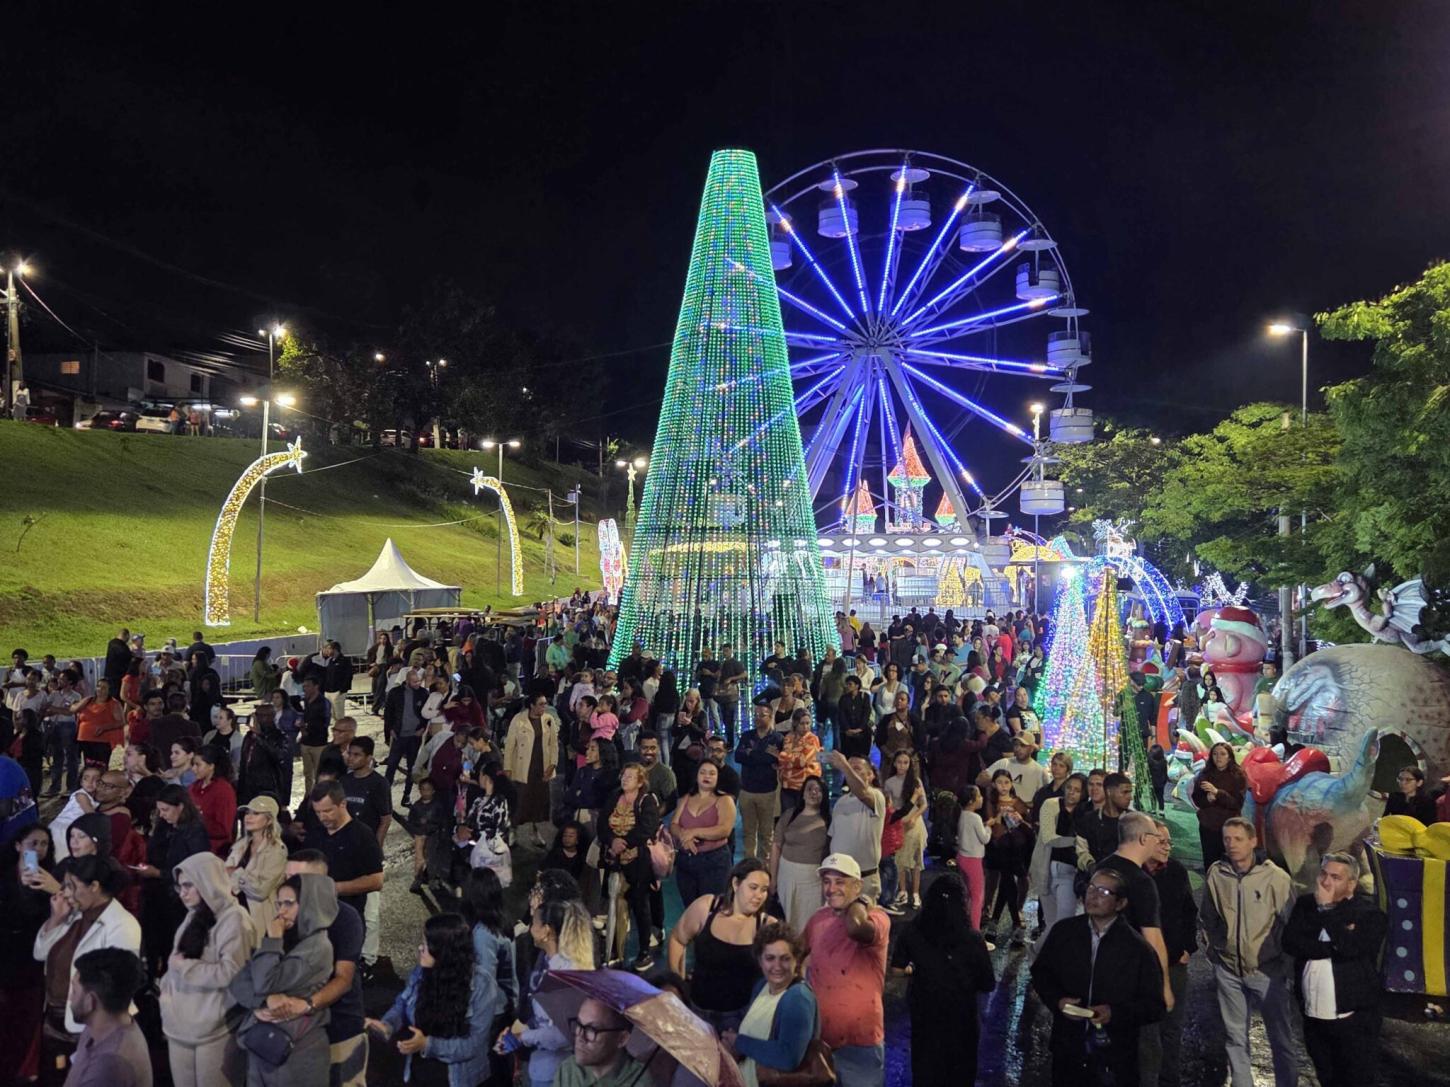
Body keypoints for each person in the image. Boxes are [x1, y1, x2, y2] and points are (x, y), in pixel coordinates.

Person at [1030, 867, 1167, 1087]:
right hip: (1068, 1049)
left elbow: (1154, 1005)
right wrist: (1058, 1001)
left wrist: (1115, 1013)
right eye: (1091, 888)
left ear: (1120, 903)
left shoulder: (1137, 949)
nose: (1093, 895)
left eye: (1104, 892)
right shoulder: (1064, 932)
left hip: (1114, 1056)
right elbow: (1042, 973)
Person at [1200, 816, 1297, 1087]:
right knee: (1235, 1039)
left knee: (1280, 1039)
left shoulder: (1276, 878)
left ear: (1253, 841)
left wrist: (1281, 962)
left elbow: (1291, 925)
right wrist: (1216, 951)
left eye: (1238, 839)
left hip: (1268, 970)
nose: (1231, 845)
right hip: (1229, 970)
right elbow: (1208, 916)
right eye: (1227, 839)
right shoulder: (1217, 874)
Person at [1281, 852, 1388, 1087]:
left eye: (1335, 877)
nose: (1326, 882)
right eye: (1323, 874)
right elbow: (1290, 943)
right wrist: (1332, 946)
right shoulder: (1306, 905)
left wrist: (1328, 911)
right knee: (1326, 1078)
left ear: (1352, 884)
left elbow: (1351, 947)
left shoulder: (1369, 914)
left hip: (1352, 1021)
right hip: (1314, 1018)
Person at [34, 855, 143, 1082]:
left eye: (72, 887)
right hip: (54, 1020)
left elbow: (115, 987)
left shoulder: (122, 925)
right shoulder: (74, 915)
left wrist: (93, 1032)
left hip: (88, 1027)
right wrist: (56, 919)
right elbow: (40, 953)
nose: (66, 893)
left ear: (94, 886)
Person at [227, 874, 338, 1087]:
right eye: (279, 904)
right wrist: (264, 1002)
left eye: (289, 903)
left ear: (308, 904)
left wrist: (273, 940)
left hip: (297, 1052)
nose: (281, 911)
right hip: (264, 1043)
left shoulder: (317, 948)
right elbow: (239, 981)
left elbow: (263, 982)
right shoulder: (290, 938)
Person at [158, 852, 255, 1087]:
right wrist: (167, 997)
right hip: (179, 1026)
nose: (183, 892)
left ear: (207, 880)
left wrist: (185, 968)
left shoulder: (235, 919)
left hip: (215, 1028)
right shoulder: (193, 915)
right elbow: (174, 962)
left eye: (189, 885)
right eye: (180, 886)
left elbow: (233, 972)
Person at [889, 872, 995, 1085]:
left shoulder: (914, 932)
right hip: (961, 1020)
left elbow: (897, 969)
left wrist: (914, 970)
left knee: (926, 1071)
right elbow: (987, 983)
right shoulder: (972, 939)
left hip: (925, 1017)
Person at [367, 913, 495, 1087]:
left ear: (443, 951)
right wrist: (387, 1025)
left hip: (457, 1078)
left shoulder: (481, 985)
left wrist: (427, 1045)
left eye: (426, 945)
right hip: (418, 1072)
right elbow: (403, 1004)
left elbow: (473, 1045)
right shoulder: (421, 972)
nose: (420, 948)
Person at [279, 851, 368, 1087]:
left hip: (339, 1029)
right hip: (297, 1032)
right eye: (286, 877)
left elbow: (343, 978)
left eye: (296, 879)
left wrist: (307, 1005)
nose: (288, 885)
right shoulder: (282, 916)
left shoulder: (345, 918)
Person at [803, 853, 889, 1087]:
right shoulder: (818, 919)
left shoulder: (877, 918)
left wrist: (860, 902)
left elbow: (855, 928)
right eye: (826, 882)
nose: (831, 889)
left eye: (840, 882)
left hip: (861, 1042)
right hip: (821, 1039)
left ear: (858, 886)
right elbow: (793, 955)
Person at [667, 858, 772, 1033]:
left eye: (764, 890)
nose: (759, 895)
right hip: (697, 1010)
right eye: (753, 888)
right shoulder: (707, 907)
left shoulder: (766, 926)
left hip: (738, 1018)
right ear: (736, 883)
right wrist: (677, 984)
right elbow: (678, 939)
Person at [498, 897, 593, 1087]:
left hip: (556, 1074)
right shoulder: (547, 963)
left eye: (534, 923)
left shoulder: (564, 974)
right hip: (543, 1066)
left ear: (546, 931)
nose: (530, 928)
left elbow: (562, 1035)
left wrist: (523, 1037)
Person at [721, 920, 819, 1085]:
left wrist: (738, 1041)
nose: (777, 966)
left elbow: (788, 1057)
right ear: (760, 960)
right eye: (770, 958)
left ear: (796, 960)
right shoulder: (762, 986)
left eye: (785, 959)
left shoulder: (798, 998)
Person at [137, 785, 210, 976]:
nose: (162, 815)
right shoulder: (166, 828)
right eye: (159, 810)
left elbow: (196, 868)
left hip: (178, 902)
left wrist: (159, 873)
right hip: (157, 897)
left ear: (181, 807)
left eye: (165, 810)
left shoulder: (194, 832)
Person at [1145, 818, 1197, 1087]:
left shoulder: (1176, 871)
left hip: (1175, 962)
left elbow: (1189, 910)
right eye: (1161, 841)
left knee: (1171, 1027)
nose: (1167, 847)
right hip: (1144, 966)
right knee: (1146, 1030)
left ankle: (1168, 1079)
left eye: (1169, 842)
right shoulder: (1134, 874)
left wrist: (1188, 947)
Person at [303, 781, 384, 949]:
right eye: (318, 812)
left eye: (327, 811)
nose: (322, 817)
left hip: (346, 919)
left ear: (343, 804)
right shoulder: (315, 833)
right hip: (316, 919)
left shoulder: (362, 835)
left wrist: (334, 888)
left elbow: (376, 880)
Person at [3, 824, 56, 1081]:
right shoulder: (4, 877)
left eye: (44, 844)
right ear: (17, 846)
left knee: (25, 1022)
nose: (38, 849)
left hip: (31, 963)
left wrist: (49, 890)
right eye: (32, 844)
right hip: (4, 958)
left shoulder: (50, 879)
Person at [598, 762, 661, 971]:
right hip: (615, 861)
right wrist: (611, 841)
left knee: (640, 906)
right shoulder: (614, 797)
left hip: (638, 862)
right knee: (615, 903)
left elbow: (647, 828)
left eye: (630, 777)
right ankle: (615, 950)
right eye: (623, 776)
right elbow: (602, 823)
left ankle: (644, 951)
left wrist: (623, 843)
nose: (625, 780)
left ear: (640, 781)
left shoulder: (647, 801)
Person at [62, 947, 152, 1087]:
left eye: (74, 990)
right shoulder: (95, 1030)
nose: (69, 998)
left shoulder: (110, 1065)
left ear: (90, 1001)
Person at [1029, 772, 1089, 943]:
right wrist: (1076, 842)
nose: (1071, 792)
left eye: (1077, 790)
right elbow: (1049, 838)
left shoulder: (1084, 811)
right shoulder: (1051, 804)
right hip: (1046, 867)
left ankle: (1038, 955)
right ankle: (1044, 959)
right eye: (1069, 787)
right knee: (1051, 923)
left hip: (1068, 871)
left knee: (1063, 922)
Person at [672, 760, 738, 909]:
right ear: (696, 776)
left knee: (714, 909)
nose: (707, 776)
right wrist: (684, 836)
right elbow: (674, 825)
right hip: (685, 861)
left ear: (717, 777)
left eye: (712, 773)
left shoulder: (725, 800)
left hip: (714, 862)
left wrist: (694, 832)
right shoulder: (686, 798)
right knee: (691, 909)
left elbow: (724, 829)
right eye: (703, 772)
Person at [769, 776, 830, 932]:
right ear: (802, 793)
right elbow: (776, 847)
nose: (813, 793)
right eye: (810, 788)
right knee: (786, 919)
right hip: (786, 875)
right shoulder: (789, 815)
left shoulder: (828, 820)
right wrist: (773, 879)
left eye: (818, 790)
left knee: (808, 922)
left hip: (812, 879)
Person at [824, 750, 885, 904]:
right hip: (837, 879)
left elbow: (863, 793)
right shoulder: (841, 802)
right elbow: (831, 837)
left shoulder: (876, 796)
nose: (850, 771)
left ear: (871, 775)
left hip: (863, 879)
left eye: (856, 768)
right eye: (848, 768)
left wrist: (844, 766)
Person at [550, 997, 649, 1087]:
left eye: (592, 1029)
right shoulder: (569, 1070)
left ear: (622, 1039)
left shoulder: (642, 1082)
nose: (580, 1036)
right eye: (579, 1024)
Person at [503, 692, 559, 850]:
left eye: (545, 703)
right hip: (522, 766)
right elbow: (510, 744)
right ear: (532, 705)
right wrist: (507, 766)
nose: (544, 707)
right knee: (520, 799)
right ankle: (513, 829)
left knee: (538, 801)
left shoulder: (548, 719)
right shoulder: (518, 720)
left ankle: (535, 831)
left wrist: (553, 764)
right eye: (540, 704)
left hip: (541, 765)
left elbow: (554, 743)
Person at [983, 768, 1033, 943]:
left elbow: (1029, 827)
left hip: (1017, 849)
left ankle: (996, 922)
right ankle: (1015, 923)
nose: (1003, 786)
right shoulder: (990, 802)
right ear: (994, 784)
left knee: (1006, 883)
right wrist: (998, 816)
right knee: (1006, 880)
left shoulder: (1017, 802)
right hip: (999, 848)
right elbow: (990, 825)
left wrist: (1019, 818)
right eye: (999, 782)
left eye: (1006, 782)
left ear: (1011, 784)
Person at [227, 795, 289, 935]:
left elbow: (261, 890)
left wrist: (237, 873)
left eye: (256, 813)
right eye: (247, 813)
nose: (249, 817)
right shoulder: (240, 845)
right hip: (235, 915)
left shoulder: (277, 850)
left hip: (259, 920)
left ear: (268, 820)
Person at [736, 704, 784, 862]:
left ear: (770, 717)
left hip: (767, 792)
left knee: (766, 833)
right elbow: (738, 756)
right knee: (748, 832)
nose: (757, 717)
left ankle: (766, 866)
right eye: (755, 714)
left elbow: (776, 759)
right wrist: (763, 756)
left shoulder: (777, 738)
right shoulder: (746, 735)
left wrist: (751, 754)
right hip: (747, 791)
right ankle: (749, 864)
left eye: (761, 715)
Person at [1191, 743, 1246, 868]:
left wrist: (1218, 793)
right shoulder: (1204, 774)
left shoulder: (1238, 776)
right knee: (1210, 860)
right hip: (1208, 825)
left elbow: (1237, 803)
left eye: (1222, 754)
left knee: (1229, 862)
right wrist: (1207, 800)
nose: (1218, 757)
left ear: (1230, 757)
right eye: (1215, 754)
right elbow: (1197, 798)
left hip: (1229, 827)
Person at [188, 745, 237, 856]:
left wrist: (195, 821)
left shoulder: (223, 790)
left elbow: (224, 829)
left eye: (198, 765)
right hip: (191, 843)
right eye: (193, 765)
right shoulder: (193, 788)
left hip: (214, 850)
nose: (193, 769)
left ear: (211, 766)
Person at [776, 709, 822, 811]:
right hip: (787, 786)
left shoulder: (813, 739)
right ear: (795, 723)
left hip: (805, 787)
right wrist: (786, 757)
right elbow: (783, 761)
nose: (805, 727)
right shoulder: (788, 737)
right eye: (802, 723)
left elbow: (802, 761)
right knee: (787, 820)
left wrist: (782, 756)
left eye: (807, 723)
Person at [73, 679, 124, 770]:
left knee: (101, 766)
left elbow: (121, 722)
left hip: (102, 741)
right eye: (99, 686)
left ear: (109, 689)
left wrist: (104, 727)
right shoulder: (89, 700)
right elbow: (73, 709)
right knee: (88, 767)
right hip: (85, 740)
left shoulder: (113, 704)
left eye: (104, 687)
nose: (100, 689)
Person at [298, 676, 332, 796]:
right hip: (306, 742)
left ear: (316, 686)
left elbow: (324, 723)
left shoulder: (324, 703)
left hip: (318, 743)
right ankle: (308, 797)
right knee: (307, 773)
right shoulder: (307, 701)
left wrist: (306, 726)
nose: (304, 688)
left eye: (307, 686)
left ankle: (320, 797)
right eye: (304, 686)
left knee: (319, 773)